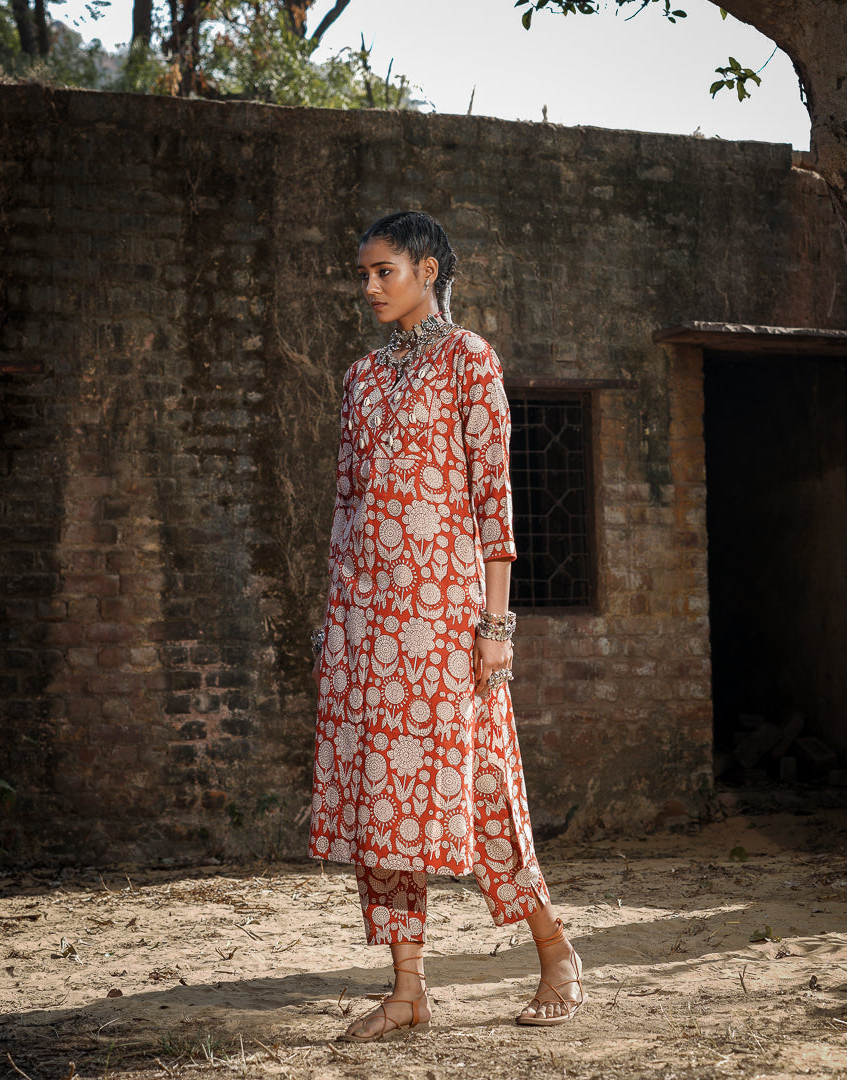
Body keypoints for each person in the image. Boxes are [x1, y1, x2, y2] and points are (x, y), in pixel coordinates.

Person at [309, 211, 583, 1042]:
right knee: (379, 801)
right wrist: (335, 621)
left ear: (428, 270)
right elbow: (347, 507)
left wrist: (496, 624)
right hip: (368, 617)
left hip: (446, 616)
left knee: (485, 780)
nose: (369, 287)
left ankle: (555, 950)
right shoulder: (360, 377)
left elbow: (493, 501)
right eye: (363, 274)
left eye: (382, 271)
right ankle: (407, 991)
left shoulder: (470, 361)